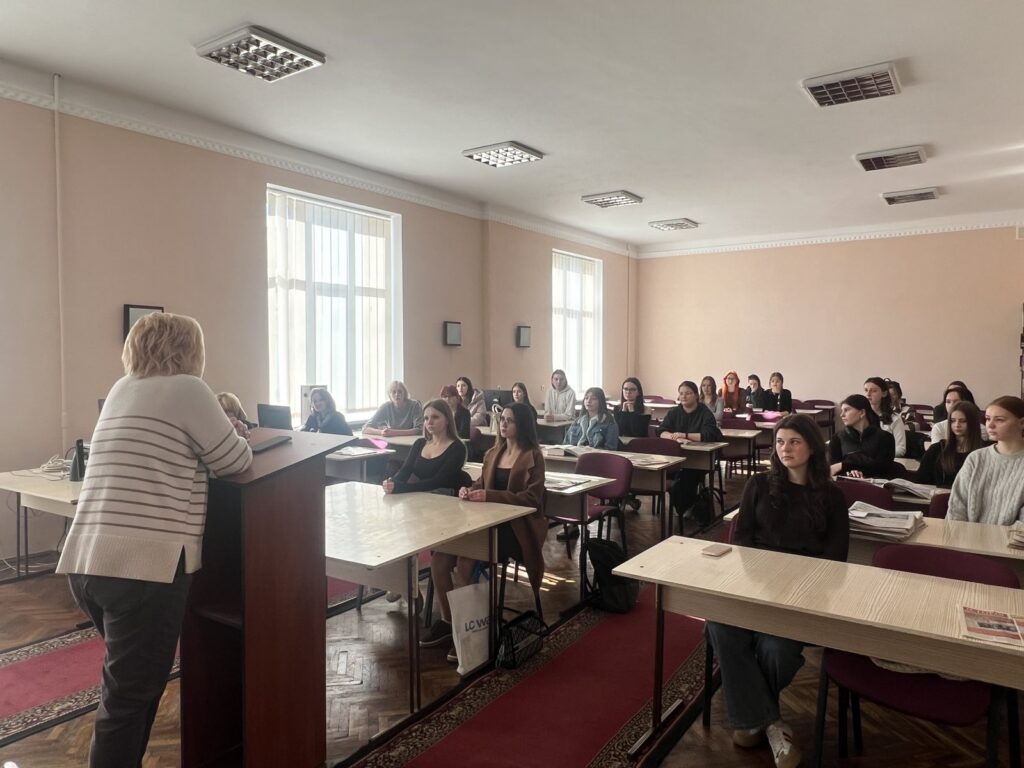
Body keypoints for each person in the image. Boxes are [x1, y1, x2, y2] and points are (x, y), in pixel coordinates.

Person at [56, 313, 253, 767]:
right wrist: (234, 435)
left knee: (133, 689)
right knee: (127, 700)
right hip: (142, 568)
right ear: (189, 349)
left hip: (87, 563)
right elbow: (235, 461)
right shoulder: (188, 389)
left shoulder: (122, 388)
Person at [709, 414, 848, 768]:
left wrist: (793, 583)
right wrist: (758, 577)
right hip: (756, 585)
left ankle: (750, 720)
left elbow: (835, 560)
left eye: (795, 442)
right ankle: (771, 723)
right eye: (781, 442)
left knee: (777, 650)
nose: (786, 449)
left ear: (813, 447)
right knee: (719, 624)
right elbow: (741, 541)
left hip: (802, 594)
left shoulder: (832, 496)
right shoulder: (759, 484)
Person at [421, 403, 547, 662]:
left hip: (515, 529)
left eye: (510, 420)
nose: (504, 424)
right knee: (440, 561)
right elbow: (481, 483)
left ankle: (468, 632)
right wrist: (469, 489)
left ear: (522, 425)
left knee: (466, 561)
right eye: (502, 419)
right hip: (483, 523)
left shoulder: (533, 456)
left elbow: (532, 499)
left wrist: (490, 495)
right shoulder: (493, 452)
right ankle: (450, 622)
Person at [946, 396, 1024, 525]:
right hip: (966, 534)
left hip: (1010, 537)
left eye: (999, 420)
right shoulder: (976, 458)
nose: (990, 425)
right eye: (988, 419)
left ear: (1021, 423)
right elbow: (956, 508)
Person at [660, 380, 724, 520]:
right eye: (681, 393)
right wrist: (674, 438)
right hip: (676, 457)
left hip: (699, 458)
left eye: (688, 393)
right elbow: (661, 431)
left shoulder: (704, 412)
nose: (683, 396)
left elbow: (709, 435)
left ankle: (688, 506)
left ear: (696, 395)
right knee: (673, 476)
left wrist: (685, 435)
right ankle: (684, 507)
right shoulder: (674, 412)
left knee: (687, 476)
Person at [384, 400, 468, 495]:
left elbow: (438, 482)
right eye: (426, 418)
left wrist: (401, 487)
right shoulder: (419, 443)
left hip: (446, 497)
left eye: (435, 417)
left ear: (447, 420)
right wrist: (392, 483)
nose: (429, 422)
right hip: (422, 495)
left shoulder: (457, 448)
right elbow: (405, 470)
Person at [916, 401, 986, 488]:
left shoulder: (985, 451)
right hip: (939, 495)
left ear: (973, 423)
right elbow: (921, 482)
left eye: (963, 421)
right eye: (953, 421)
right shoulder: (937, 449)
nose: (957, 425)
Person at [829, 394, 896, 478]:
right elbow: (833, 469)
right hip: (846, 483)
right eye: (842, 411)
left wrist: (844, 465)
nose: (841, 415)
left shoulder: (885, 437)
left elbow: (882, 467)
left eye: (846, 410)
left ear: (862, 412)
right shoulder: (837, 438)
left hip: (876, 483)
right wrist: (850, 471)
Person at [863, 376, 906, 457]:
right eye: (866, 390)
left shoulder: (894, 418)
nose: (868, 394)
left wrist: (879, 456)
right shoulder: (860, 416)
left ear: (884, 393)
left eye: (874, 391)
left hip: (883, 460)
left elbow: (900, 449)